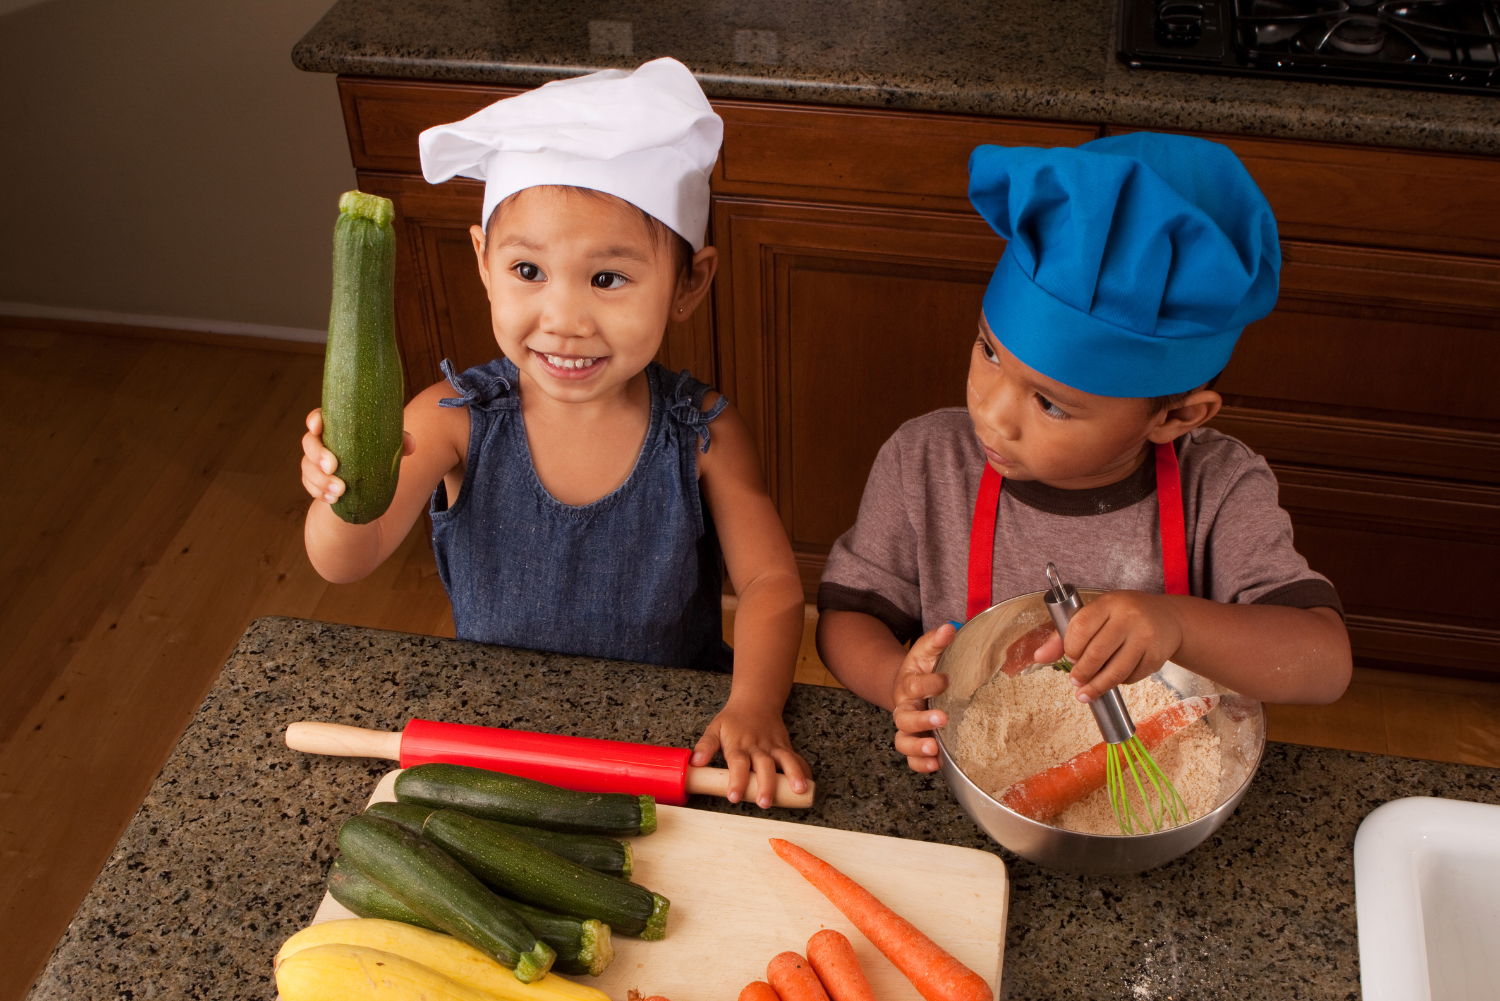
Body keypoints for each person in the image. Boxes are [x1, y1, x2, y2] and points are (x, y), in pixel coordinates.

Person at [299, 59, 809, 806]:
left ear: (689, 283)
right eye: (528, 269)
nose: (564, 319)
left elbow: (771, 584)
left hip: (669, 743)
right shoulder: (449, 421)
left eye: (607, 279)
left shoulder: (702, 432)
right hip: (502, 742)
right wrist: (342, 488)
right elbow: (347, 560)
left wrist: (755, 703)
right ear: (483, 261)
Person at [814, 132, 1353, 774]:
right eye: (989, 353)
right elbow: (845, 616)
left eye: (1050, 404)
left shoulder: (1221, 488)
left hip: (1167, 787)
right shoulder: (925, 462)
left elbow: (1324, 662)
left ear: (1173, 417)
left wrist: (1175, 625)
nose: (991, 413)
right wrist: (894, 681)